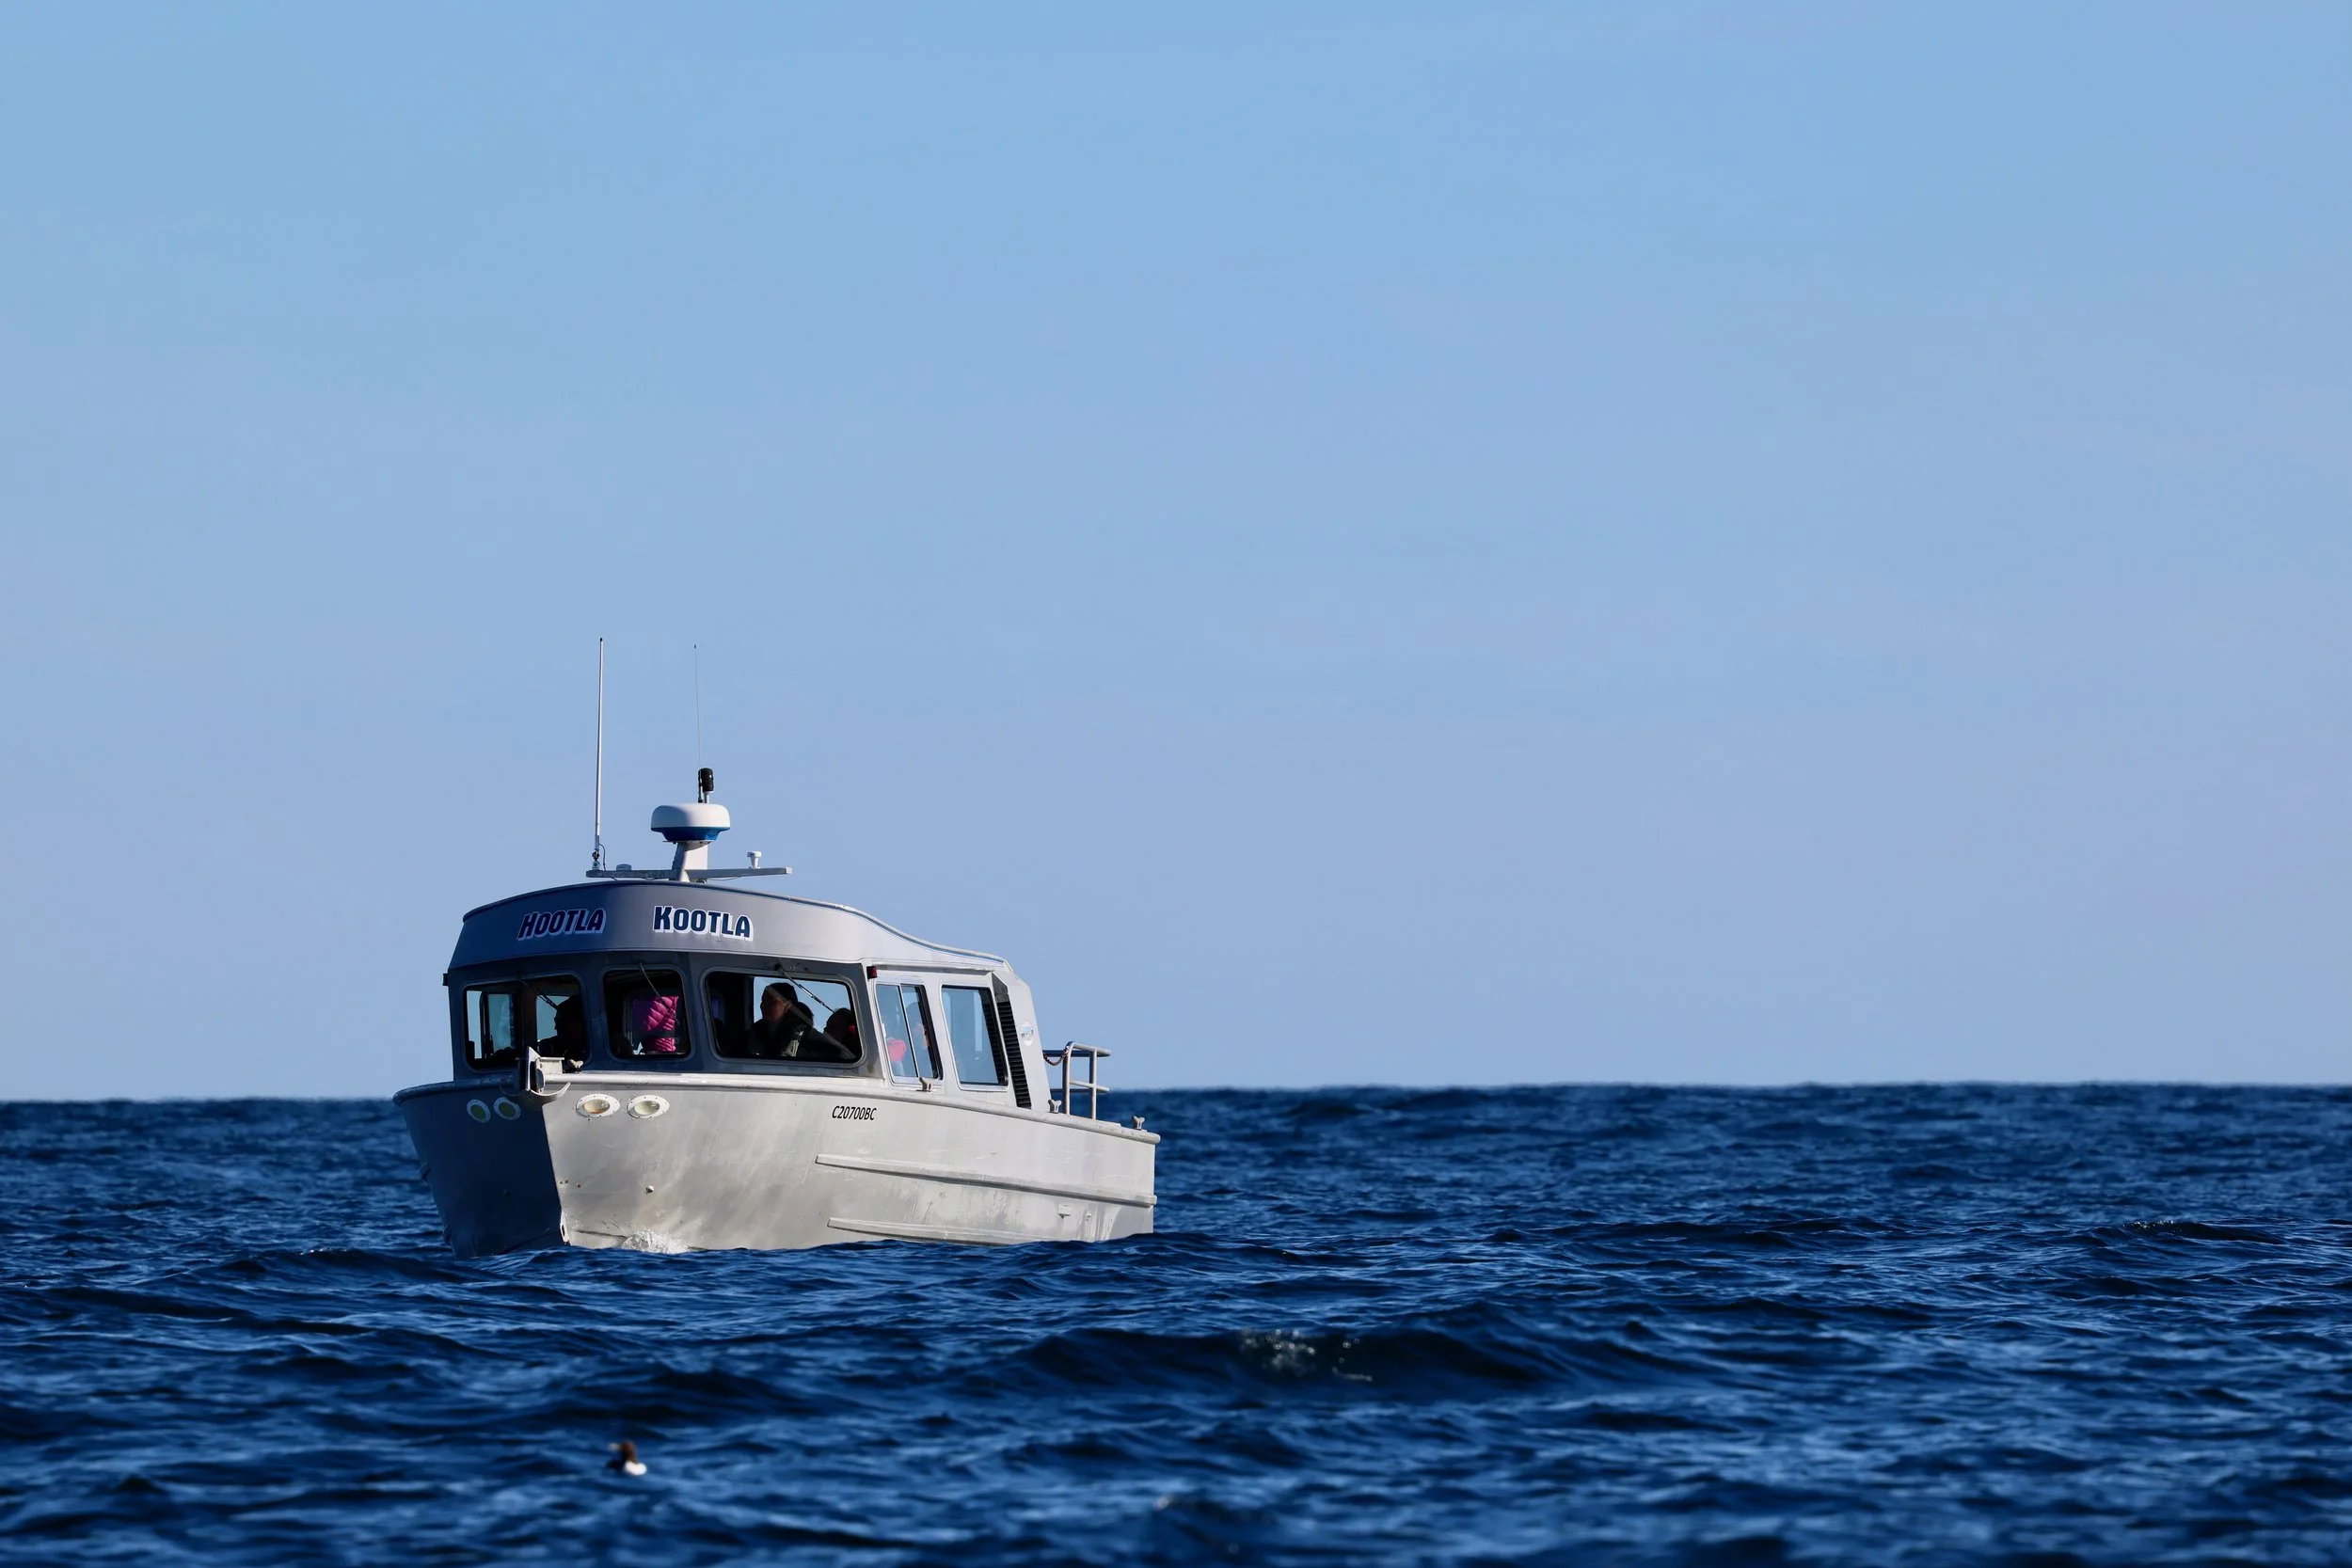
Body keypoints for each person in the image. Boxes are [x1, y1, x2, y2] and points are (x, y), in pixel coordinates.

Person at [748, 983, 815, 1058]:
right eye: (763, 1000)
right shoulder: (750, 1035)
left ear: (788, 1005)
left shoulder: (805, 1038)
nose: (763, 1005)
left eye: (771, 1001)